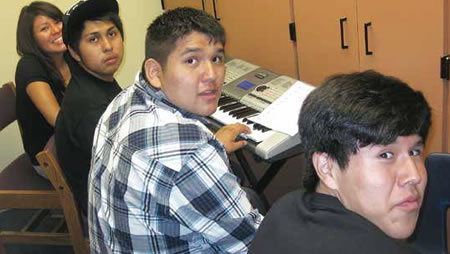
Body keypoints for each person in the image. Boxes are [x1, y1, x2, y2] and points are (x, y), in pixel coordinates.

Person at [88, 7, 263, 253]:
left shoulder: (123, 100)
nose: (211, 75)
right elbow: (256, 245)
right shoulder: (189, 153)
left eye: (216, 58)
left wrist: (213, 148)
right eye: (191, 60)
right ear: (155, 72)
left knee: (250, 197)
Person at [249, 70, 431, 254]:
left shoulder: (285, 209)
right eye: (385, 155)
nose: (414, 175)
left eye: (415, 152)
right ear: (327, 167)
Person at [55, 0, 123, 214]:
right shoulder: (89, 106)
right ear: (75, 53)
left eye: (112, 34)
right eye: (93, 39)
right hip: (107, 205)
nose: (107, 46)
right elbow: (126, 172)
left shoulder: (98, 81)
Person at [15, 1, 71, 178]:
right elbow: (59, 121)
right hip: (49, 156)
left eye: (57, 21)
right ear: (32, 39)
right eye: (45, 28)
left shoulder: (70, 56)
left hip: (70, 142)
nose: (56, 30)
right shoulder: (29, 66)